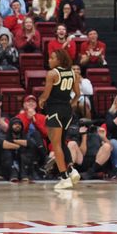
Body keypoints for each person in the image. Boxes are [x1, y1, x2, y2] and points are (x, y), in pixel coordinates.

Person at [38, 48, 81, 190]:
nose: (49, 60)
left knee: (56, 144)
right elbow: (77, 94)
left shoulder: (52, 74)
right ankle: (71, 170)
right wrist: (70, 105)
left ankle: (64, 178)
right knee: (62, 142)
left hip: (54, 110)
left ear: (59, 60)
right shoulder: (73, 73)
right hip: (67, 111)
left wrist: (41, 101)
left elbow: (46, 94)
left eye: (52, 57)